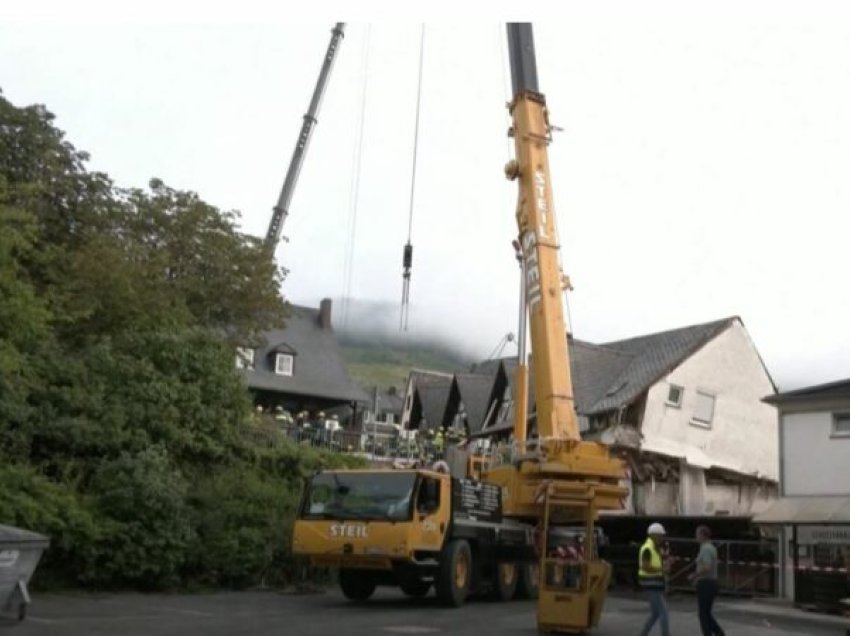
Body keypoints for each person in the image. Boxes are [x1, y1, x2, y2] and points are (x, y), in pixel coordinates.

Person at [688, 525, 725, 636]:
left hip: (706, 583)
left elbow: (707, 567)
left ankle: (712, 633)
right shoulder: (710, 547)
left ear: (703, 535)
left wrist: (694, 575)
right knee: (706, 613)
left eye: (697, 534)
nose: (696, 537)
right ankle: (719, 633)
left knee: (703, 614)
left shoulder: (706, 548)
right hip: (708, 582)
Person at [638, 522, 671, 636]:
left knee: (655, 613)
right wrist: (661, 570)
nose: (662, 538)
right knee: (663, 613)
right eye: (660, 535)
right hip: (651, 583)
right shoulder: (647, 548)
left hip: (654, 583)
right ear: (654, 535)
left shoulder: (653, 548)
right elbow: (645, 566)